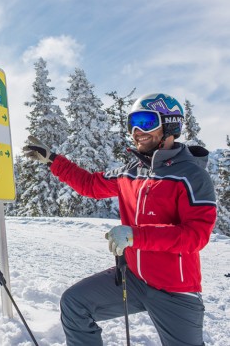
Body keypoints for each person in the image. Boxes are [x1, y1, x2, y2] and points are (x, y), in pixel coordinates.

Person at [23, 93, 217, 346]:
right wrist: (53, 160)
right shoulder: (131, 172)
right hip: (134, 279)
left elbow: (195, 236)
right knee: (75, 303)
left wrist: (136, 235)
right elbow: (90, 185)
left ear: (170, 126)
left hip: (175, 290)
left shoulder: (191, 176)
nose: (137, 131)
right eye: (133, 123)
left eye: (146, 122)